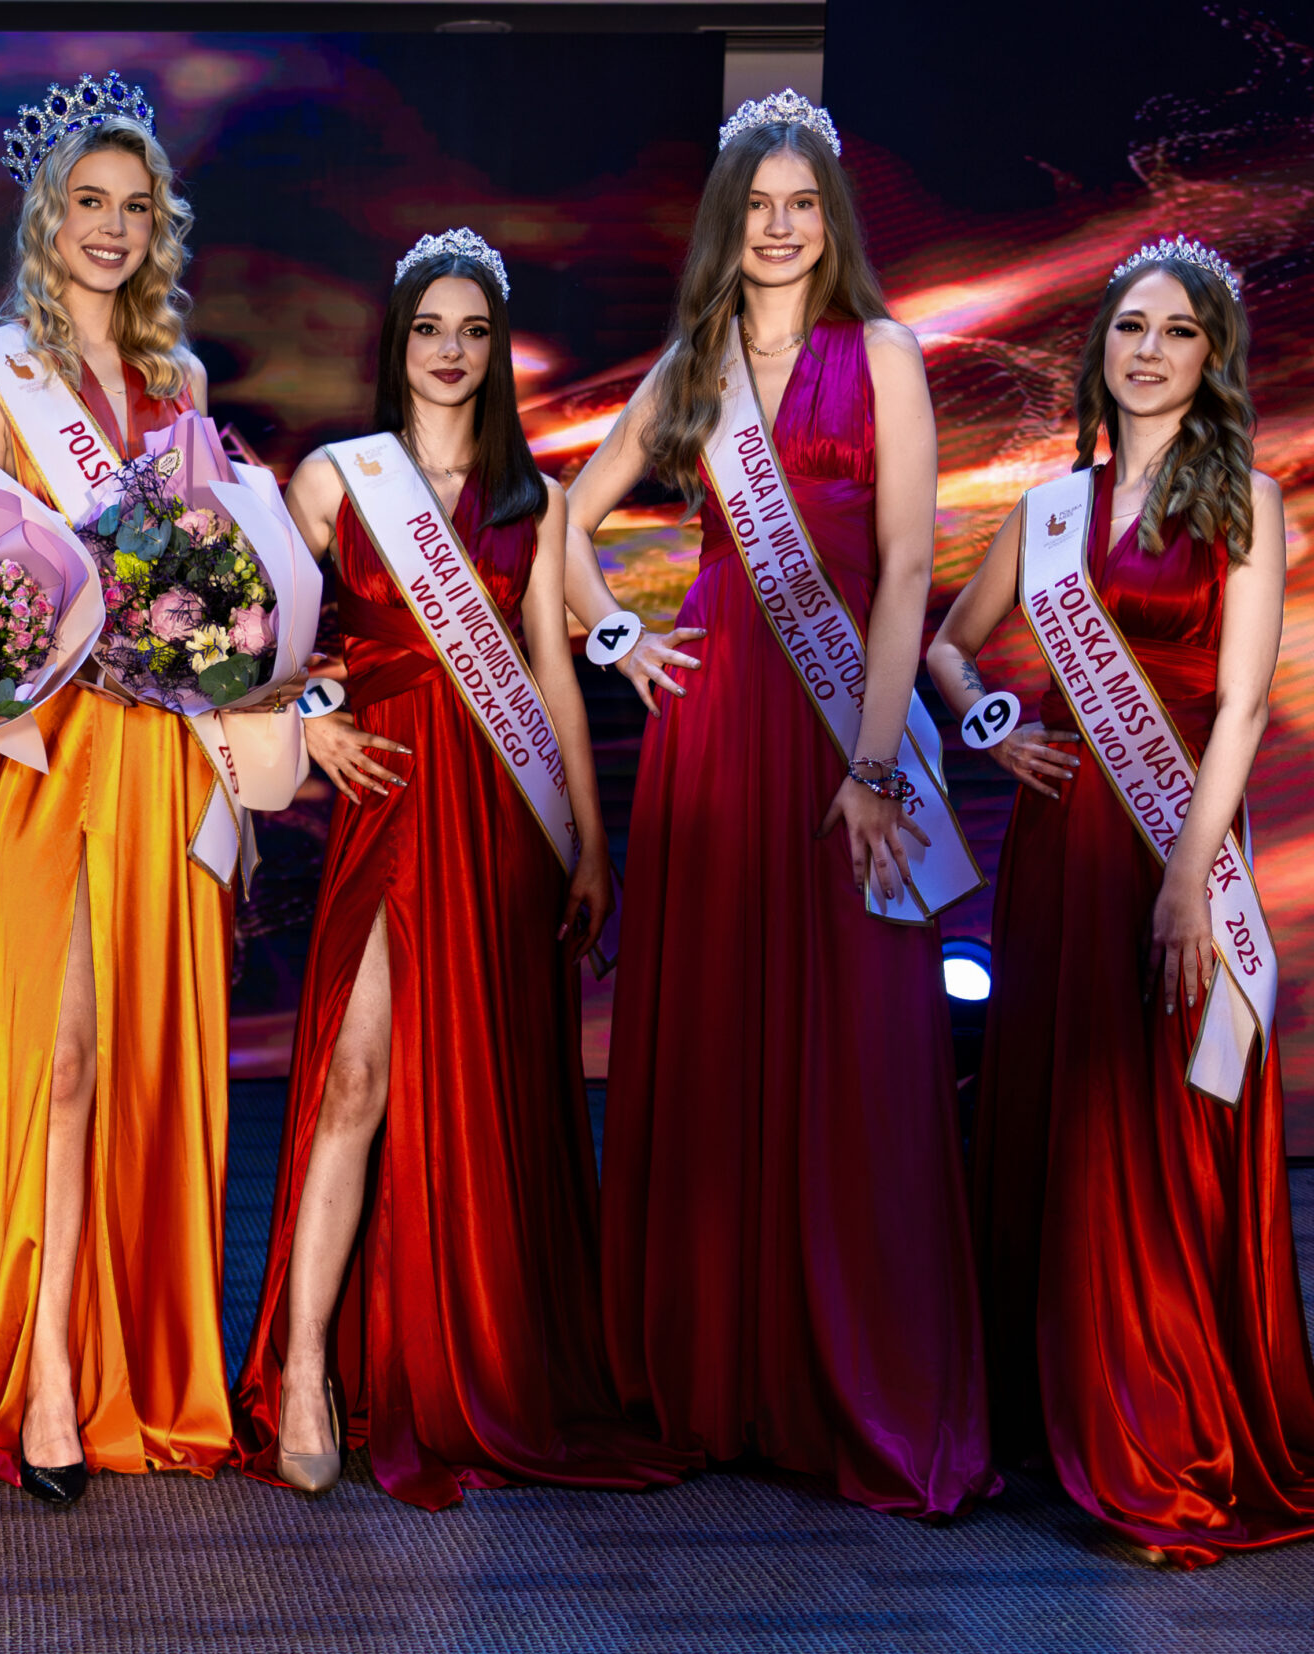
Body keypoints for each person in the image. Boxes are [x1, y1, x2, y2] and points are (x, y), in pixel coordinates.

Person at [560, 91, 996, 1518]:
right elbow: (568, 520)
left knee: (857, 1041)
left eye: (802, 204)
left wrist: (871, 767)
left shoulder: (883, 355)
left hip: (842, 731)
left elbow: (907, 569)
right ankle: (716, 1376)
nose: (781, 226)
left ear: (833, 218)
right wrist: (618, 634)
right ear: (727, 221)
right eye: (757, 205)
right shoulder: (693, 362)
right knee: (718, 1032)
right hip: (714, 726)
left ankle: (846, 1378)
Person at [231, 232, 688, 1508]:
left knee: (481, 1090)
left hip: (497, 811)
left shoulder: (529, 502)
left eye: (473, 331)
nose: (450, 349)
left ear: (494, 352)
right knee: (356, 1076)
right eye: (429, 327)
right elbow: (258, 633)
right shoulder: (335, 479)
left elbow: (549, 674)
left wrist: (588, 842)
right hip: (387, 803)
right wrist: (309, 723)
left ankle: (469, 1355)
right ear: (399, 342)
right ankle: (307, 1370)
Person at [929, 238, 1314, 1568]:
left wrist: (1189, 883)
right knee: (1063, 1115)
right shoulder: (1052, 507)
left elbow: (1246, 702)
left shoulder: (1247, 500)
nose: (1148, 350)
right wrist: (993, 726)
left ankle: (1159, 1431)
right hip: (1057, 847)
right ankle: (1054, 1413)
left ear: (1213, 358)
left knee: (1152, 1130)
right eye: (1130, 327)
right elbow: (946, 644)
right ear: (1100, 348)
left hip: (1171, 850)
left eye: (1177, 331)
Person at [0, 74, 230, 1506]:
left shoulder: (184, 384)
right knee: (57, 1057)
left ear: (157, 228)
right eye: (87, 204)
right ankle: (46, 1367)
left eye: (134, 208)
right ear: (47, 219)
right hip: (49, 756)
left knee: (139, 1058)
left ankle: (128, 1347)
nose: (110, 228)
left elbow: (215, 581)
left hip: (159, 750)